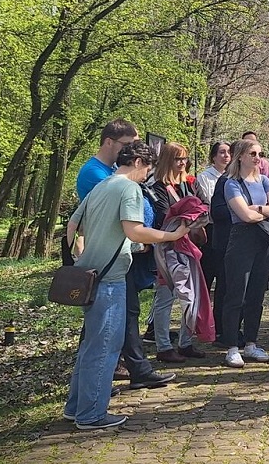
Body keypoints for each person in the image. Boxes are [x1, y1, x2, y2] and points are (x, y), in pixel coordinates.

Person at [63, 141, 188, 430]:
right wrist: (172, 236)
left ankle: (76, 407)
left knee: (90, 346)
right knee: (105, 347)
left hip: (90, 276)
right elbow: (135, 230)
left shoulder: (101, 186)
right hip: (110, 280)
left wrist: (82, 256)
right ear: (138, 162)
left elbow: (73, 226)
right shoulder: (129, 188)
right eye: (147, 169)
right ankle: (91, 415)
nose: (146, 176)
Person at [221, 138, 269, 368]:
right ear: (241, 157)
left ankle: (251, 342)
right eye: (253, 154)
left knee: (257, 293)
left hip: (264, 240)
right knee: (236, 293)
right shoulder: (231, 183)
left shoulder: (264, 180)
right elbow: (244, 216)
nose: (258, 158)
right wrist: (264, 213)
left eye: (260, 154)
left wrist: (258, 209)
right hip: (242, 240)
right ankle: (231, 346)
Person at [149, 142, 201, 363]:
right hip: (167, 247)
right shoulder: (159, 187)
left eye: (184, 158)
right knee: (166, 297)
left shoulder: (189, 183)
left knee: (190, 295)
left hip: (189, 244)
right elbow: (164, 215)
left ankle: (185, 342)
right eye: (177, 159)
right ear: (167, 160)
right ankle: (163, 346)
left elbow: (201, 207)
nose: (182, 163)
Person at [195, 141, 231, 342]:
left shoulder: (234, 176)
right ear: (214, 156)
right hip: (209, 232)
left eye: (229, 153)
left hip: (227, 231)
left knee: (224, 281)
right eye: (222, 152)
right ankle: (201, 323)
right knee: (207, 279)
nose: (226, 156)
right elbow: (209, 202)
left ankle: (219, 323)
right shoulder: (205, 177)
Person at [76, 119, 139, 201]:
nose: (132, 150)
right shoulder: (93, 172)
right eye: (127, 144)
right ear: (109, 142)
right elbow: (124, 199)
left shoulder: (115, 167)